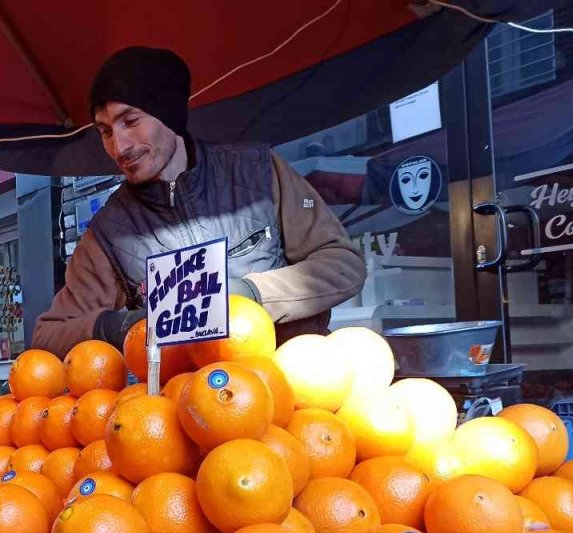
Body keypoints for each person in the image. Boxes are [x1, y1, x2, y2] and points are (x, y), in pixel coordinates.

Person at [32, 47, 367, 357]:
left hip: (294, 392)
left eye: (131, 121)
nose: (120, 147)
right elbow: (48, 335)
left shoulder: (258, 170)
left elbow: (343, 265)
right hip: (185, 407)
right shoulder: (110, 231)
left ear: (169, 115)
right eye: (105, 131)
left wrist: (250, 294)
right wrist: (117, 326)